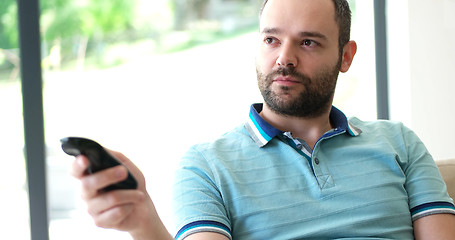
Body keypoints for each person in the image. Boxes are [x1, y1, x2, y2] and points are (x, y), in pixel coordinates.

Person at [71, 0, 455, 239]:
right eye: (271, 39)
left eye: (307, 42)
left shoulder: (399, 142)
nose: (284, 58)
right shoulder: (206, 165)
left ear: (345, 56)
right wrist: (143, 223)